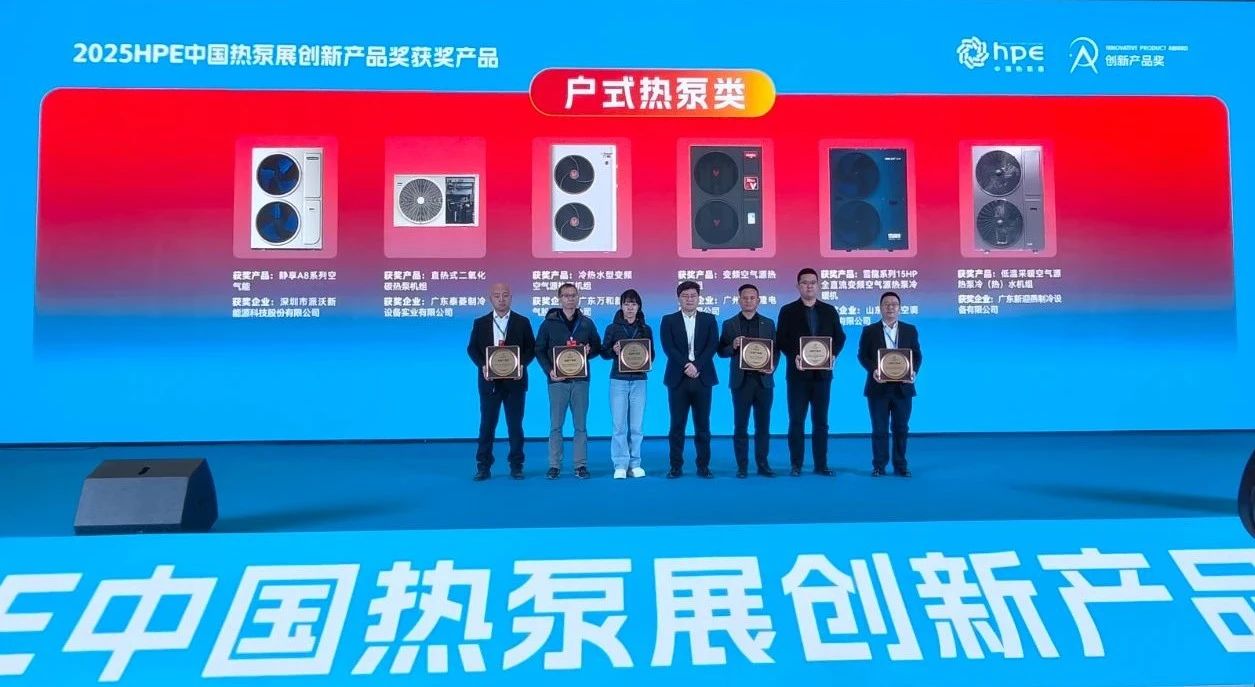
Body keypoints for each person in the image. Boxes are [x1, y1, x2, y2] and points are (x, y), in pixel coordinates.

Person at [775, 268, 846, 476]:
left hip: (822, 376)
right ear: (798, 286)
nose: (809, 286)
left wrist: (833, 355)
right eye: (804, 283)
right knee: (796, 420)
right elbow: (781, 339)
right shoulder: (787, 311)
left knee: (821, 422)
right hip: (797, 375)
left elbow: (840, 337)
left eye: (813, 282)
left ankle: (821, 465)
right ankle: (796, 464)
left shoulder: (829, 311)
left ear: (818, 285)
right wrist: (794, 355)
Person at [466, 282, 535, 481]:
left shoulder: (522, 322)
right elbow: (472, 349)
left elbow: (531, 348)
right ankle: (483, 466)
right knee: (487, 426)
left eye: (505, 295)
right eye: (497, 295)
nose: (501, 299)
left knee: (515, 426)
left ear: (511, 298)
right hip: (490, 383)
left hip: (515, 382)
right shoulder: (481, 323)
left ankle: (516, 465)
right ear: (491, 299)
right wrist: (483, 365)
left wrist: (521, 364)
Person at [534, 282, 601, 479]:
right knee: (556, 425)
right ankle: (554, 465)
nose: (570, 299)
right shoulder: (549, 324)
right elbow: (539, 349)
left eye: (573, 295)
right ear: (559, 298)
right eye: (566, 295)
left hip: (581, 381)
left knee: (580, 426)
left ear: (578, 297)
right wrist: (549, 371)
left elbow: (598, 347)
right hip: (557, 382)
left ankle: (580, 465)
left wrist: (589, 350)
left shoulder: (587, 323)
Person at [857, 291, 922, 477]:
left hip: (903, 388)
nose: (890, 307)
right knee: (879, 429)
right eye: (886, 304)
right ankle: (879, 465)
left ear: (899, 308)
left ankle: (901, 465)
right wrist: (874, 370)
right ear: (880, 308)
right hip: (878, 387)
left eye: (894, 304)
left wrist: (913, 371)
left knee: (901, 428)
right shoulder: (869, 330)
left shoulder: (910, 330)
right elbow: (862, 355)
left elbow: (917, 355)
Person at [659, 280, 719, 478]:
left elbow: (712, 345)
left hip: (703, 377)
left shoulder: (709, 319)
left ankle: (703, 466)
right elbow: (668, 347)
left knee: (703, 426)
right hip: (678, 378)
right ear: (679, 299)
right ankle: (676, 466)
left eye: (693, 295)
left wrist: (697, 366)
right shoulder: (668, 320)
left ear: (699, 298)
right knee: (677, 425)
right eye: (685, 296)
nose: (689, 299)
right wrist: (686, 365)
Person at [718, 284, 778, 478]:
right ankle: (742, 466)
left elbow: (775, 350)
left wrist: (772, 366)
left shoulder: (769, 323)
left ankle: (763, 464)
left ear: (758, 300)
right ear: (739, 300)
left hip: (763, 381)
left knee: (763, 426)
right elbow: (721, 351)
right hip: (741, 382)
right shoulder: (729, 324)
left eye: (752, 298)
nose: (749, 301)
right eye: (745, 298)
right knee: (740, 426)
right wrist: (733, 346)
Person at [600, 289, 654, 479]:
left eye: (633, 304)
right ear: (621, 306)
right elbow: (603, 352)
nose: (630, 308)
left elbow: (652, 355)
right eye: (626, 304)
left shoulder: (645, 329)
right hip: (618, 380)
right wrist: (613, 350)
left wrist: (644, 358)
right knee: (619, 425)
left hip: (639, 380)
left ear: (639, 307)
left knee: (637, 426)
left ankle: (635, 463)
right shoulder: (612, 328)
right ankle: (620, 464)